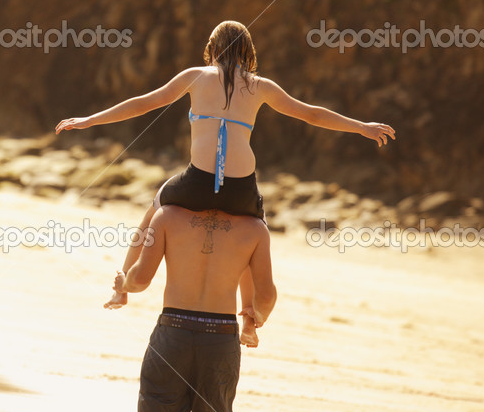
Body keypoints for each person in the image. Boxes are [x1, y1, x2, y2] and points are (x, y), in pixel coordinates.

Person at [55, 20, 394, 346]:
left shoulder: (195, 77)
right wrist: (361, 126)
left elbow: (144, 103)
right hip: (241, 187)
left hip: (197, 181)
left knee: (153, 212)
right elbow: (312, 113)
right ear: (248, 52)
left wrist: (89, 121)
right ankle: (248, 319)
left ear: (212, 49)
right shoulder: (261, 86)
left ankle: (123, 287)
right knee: (250, 238)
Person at [114, 202, 276, 412]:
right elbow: (266, 294)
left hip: (173, 329)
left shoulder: (168, 216)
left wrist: (123, 284)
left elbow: (141, 279)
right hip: (220, 335)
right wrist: (255, 319)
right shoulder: (254, 228)